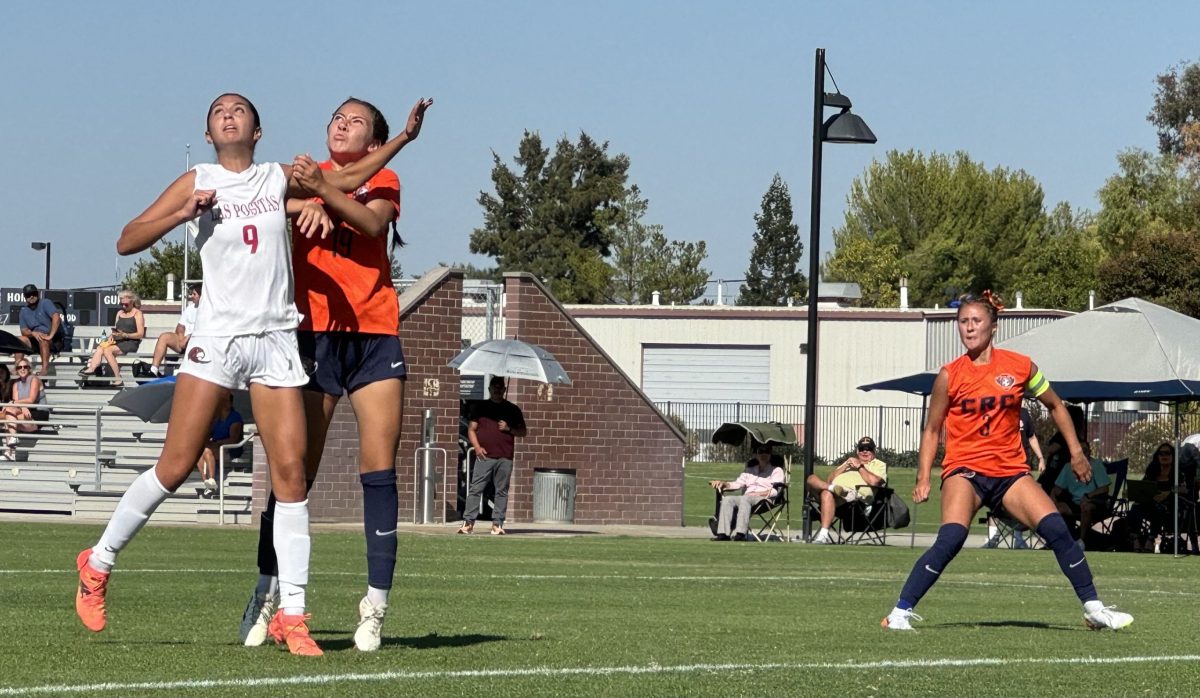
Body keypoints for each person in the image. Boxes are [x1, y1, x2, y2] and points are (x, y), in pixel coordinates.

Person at [73, 92, 433, 657]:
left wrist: (400, 142)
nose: (228, 114)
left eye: (239, 109)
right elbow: (127, 238)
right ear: (211, 132)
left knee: (291, 477)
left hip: (274, 341)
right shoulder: (197, 179)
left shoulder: (272, 178)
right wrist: (181, 214)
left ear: (258, 131)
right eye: (218, 111)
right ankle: (97, 563)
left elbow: (352, 173)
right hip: (217, 340)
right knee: (175, 466)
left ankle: (293, 613)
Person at [240, 97, 409, 653]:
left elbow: (369, 221)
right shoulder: (299, 177)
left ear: (376, 138)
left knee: (378, 471)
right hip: (312, 335)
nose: (342, 124)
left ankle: (375, 605)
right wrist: (304, 200)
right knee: (294, 474)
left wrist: (327, 199)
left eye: (356, 120)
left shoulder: (384, 177)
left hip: (375, 334)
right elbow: (268, 205)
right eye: (337, 116)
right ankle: (268, 592)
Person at [882, 291, 1132, 631]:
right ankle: (900, 613)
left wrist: (1076, 452)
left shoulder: (1020, 366)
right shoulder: (949, 375)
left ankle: (1094, 609)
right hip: (965, 471)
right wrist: (923, 476)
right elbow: (932, 429)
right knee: (952, 538)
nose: (968, 328)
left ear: (993, 327)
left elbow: (1056, 406)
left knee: (1057, 529)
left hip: (1011, 473)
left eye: (975, 321)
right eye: (963, 322)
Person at [459, 376, 527, 536]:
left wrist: (509, 428)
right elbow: (471, 429)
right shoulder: (480, 407)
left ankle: (497, 524)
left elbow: (523, 432)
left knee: (501, 491)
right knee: (476, 488)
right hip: (485, 456)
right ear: (489, 389)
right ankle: (468, 523)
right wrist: (476, 447)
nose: (497, 390)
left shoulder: (513, 409)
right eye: (494, 387)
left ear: (504, 389)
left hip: (505, 457)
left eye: (500, 387)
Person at [982, 405, 1045, 548]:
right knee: (995, 500)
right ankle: (993, 538)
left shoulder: (1024, 413)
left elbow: (1032, 437)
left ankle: (1018, 538)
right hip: (1001, 465)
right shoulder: (998, 411)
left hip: (1022, 466)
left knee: (1022, 502)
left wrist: (1040, 458)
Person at [805, 436, 888, 544]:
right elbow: (830, 479)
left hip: (853, 495)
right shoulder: (849, 462)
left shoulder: (878, 464)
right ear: (858, 451)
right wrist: (846, 466)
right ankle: (832, 489)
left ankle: (823, 534)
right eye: (862, 449)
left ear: (874, 451)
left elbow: (874, 482)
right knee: (811, 478)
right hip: (833, 491)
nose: (865, 451)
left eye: (869, 448)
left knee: (826, 494)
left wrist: (860, 467)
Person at [708, 443, 785, 541]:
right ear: (756, 454)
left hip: (765, 500)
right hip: (747, 498)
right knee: (728, 499)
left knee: (745, 498)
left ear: (770, 454)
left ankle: (740, 534)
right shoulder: (749, 470)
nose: (764, 454)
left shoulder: (777, 470)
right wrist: (723, 484)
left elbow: (775, 491)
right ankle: (723, 534)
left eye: (767, 451)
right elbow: (737, 484)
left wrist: (758, 494)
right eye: (761, 451)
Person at [1128, 443, 1195, 553]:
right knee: (1135, 507)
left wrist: (1169, 493)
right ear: (1157, 456)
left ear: (1173, 456)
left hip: (1171, 507)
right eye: (1161, 453)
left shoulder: (1178, 471)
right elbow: (1143, 486)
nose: (1164, 456)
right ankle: (1136, 539)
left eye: (1167, 453)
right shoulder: (1152, 470)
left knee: (1158, 508)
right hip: (1150, 503)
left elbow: (1185, 490)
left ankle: (1150, 539)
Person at [1050, 441, 1110, 550]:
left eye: (1086, 450)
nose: (1084, 452)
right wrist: (1053, 500)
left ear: (1090, 451)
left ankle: (1082, 541)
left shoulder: (1096, 465)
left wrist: (1088, 496)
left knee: (1086, 505)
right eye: (1081, 450)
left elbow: (1104, 488)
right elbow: (1056, 490)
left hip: (1094, 503)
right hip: (1074, 503)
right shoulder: (1068, 467)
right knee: (1057, 508)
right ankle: (1056, 540)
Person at [81, 289, 145, 387]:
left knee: (107, 351)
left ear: (132, 301)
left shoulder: (137, 313)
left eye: (126, 304)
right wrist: (112, 336)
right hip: (118, 339)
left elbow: (140, 334)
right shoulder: (119, 313)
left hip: (130, 341)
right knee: (100, 347)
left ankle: (118, 378)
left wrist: (125, 335)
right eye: (121, 304)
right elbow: (116, 329)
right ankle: (91, 369)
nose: (123, 306)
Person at [197, 390, 244, 497]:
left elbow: (234, 439)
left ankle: (212, 479)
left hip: (230, 448)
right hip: (216, 446)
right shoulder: (216, 418)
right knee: (200, 452)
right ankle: (207, 482)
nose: (224, 403)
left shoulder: (235, 417)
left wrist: (217, 442)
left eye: (226, 401)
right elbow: (209, 434)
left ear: (231, 403)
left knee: (207, 450)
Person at [150, 284, 201, 376]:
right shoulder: (190, 308)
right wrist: (181, 338)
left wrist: (188, 338)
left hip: (197, 342)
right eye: (191, 294)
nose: (191, 296)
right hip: (183, 342)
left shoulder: (207, 310)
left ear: (201, 296)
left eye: (194, 294)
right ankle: (154, 369)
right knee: (164, 337)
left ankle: (182, 371)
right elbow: (180, 327)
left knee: (193, 339)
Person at [2, 359, 47, 460]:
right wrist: (22, 407)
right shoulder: (16, 383)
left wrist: (16, 404)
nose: (22, 369)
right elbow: (16, 401)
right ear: (16, 370)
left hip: (38, 413)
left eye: (25, 367)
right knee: (8, 413)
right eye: (19, 367)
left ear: (29, 369)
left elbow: (31, 399)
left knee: (9, 415)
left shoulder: (34, 379)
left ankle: (9, 450)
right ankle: (12, 444)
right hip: (24, 412)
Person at [15, 284, 63, 376]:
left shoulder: (46, 303)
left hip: (52, 340)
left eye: (34, 294)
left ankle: (44, 370)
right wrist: (33, 333)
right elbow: (24, 331)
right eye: (28, 295)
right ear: (25, 297)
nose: (31, 296)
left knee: (43, 339)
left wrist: (51, 335)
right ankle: (17, 368)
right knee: (21, 340)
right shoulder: (24, 311)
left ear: (37, 294)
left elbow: (56, 317)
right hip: (35, 339)